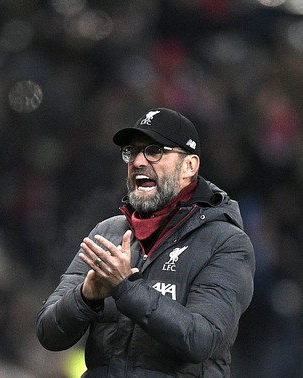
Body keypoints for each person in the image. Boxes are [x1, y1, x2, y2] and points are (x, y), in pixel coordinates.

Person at [36, 108, 255, 377]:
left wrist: (125, 289)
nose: (138, 161)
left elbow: (200, 340)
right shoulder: (109, 233)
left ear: (189, 166)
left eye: (154, 151)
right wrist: (85, 296)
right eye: (132, 151)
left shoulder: (225, 242)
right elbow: (48, 333)